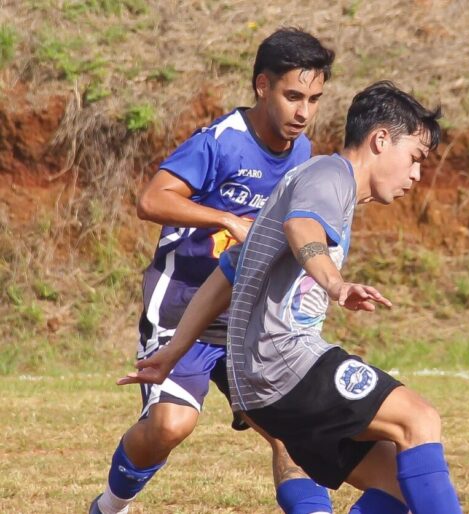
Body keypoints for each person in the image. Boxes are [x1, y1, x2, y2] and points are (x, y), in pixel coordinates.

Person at [120, 81, 463, 514]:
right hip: (283, 362)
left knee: (398, 485)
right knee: (419, 419)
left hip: (259, 381)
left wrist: (175, 349)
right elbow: (304, 229)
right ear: (380, 140)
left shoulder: (306, 179)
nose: (416, 175)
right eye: (415, 159)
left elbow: (227, 274)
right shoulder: (329, 177)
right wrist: (335, 284)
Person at [90, 28, 336, 514]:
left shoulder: (304, 154)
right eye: (293, 96)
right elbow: (151, 199)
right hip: (182, 303)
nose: (304, 112)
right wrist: (225, 218)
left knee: (291, 437)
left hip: (248, 315)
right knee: (170, 426)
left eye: (314, 99)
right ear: (262, 86)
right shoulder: (221, 142)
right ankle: (108, 507)